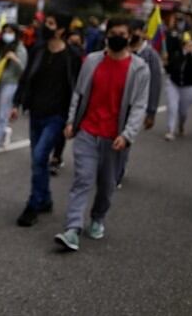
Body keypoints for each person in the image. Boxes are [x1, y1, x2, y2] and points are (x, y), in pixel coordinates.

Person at [54, 18, 149, 251]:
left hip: (115, 138)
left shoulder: (139, 69)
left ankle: (98, 217)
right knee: (82, 179)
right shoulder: (92, 61)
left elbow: (139, 106)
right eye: (113, 33)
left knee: (107, 185)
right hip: (88, 131)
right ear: (106, 35)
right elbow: (79, 93)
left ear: (129, 37)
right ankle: (73, 229)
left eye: (122, 33)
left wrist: (127, 135)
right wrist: (71, 121)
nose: (117, 37)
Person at [11, 13, 81, 226]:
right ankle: (46, 199)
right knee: (38, 160)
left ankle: (33, 205)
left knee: (40, 156)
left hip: (57, 116)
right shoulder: (38, 50)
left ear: (61, 30)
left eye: (51, 23)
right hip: (36, 113)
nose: (45, 26)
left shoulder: (72, 57)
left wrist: (73, 119)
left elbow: (78, 90)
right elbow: (26, 78)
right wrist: (16, 103)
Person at [117, 19, 163, 187]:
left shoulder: (151, 56)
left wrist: (151, 112)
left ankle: (117, 173)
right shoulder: (120, 51)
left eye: (135, 31)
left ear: (143, 33)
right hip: (115, 103)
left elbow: (155, 85)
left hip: (134, 106)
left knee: (124, 138)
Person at [0, 23, 26, 157]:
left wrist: (15, 59)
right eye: (5, 31)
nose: (7, 34)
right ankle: (4, 130)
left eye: (10, 31)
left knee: (2, 114)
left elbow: (23, 70)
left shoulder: (20, 49)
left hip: (10, 84)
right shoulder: (1, 47)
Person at [164, 34, 192, 141]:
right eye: (188, 45)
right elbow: (169, 69)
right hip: (174, 84)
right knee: (172, 107)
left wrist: (190, 55)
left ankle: (181, 125)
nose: (190, 47)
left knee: (183, 111)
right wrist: (165, 62)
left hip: (189, 87)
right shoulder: (177, 55)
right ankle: (170, 130)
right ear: (184, 46)